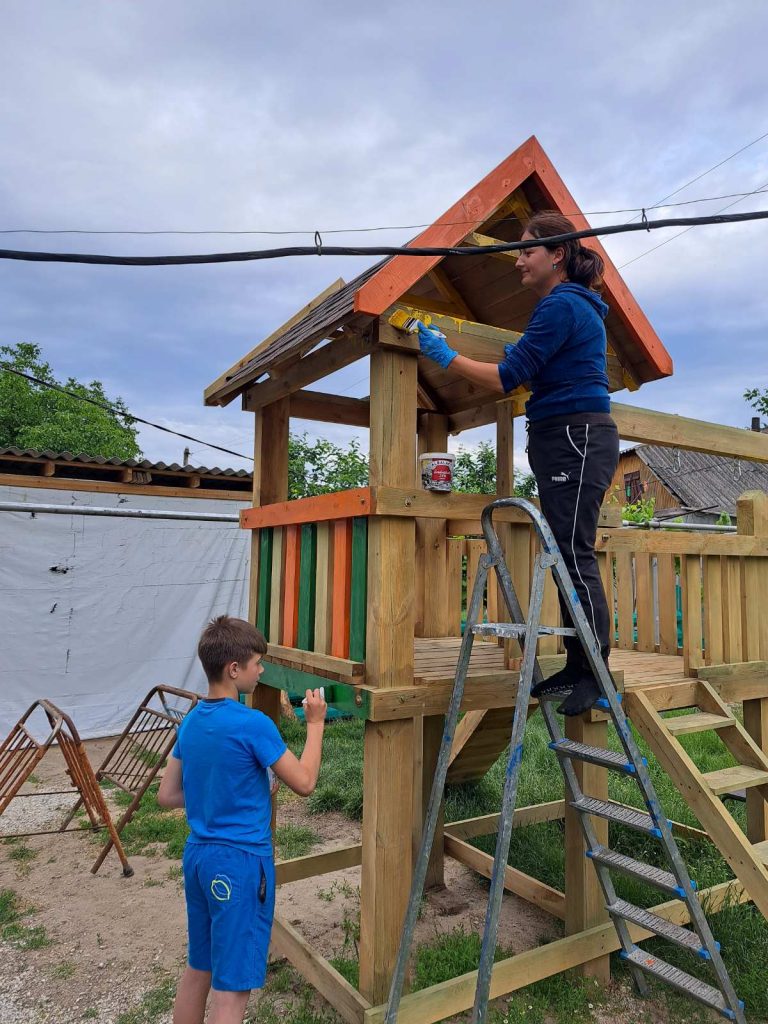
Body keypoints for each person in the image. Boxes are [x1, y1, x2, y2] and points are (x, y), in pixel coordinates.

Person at [416, 210, 619, 716]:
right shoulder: (570, 308)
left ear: (558, 255)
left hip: (575, 436)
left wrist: (444, 356)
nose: (517, 262)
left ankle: (595, 671)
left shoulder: (561, 305)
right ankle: (578, 665)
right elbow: (529, 364)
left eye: (526, 251)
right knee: (568, 554)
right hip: (568, 436)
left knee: (574, 554)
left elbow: (509, 377)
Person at [158, 615, 327, 1024]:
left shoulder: (192, 720)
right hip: (240, 865)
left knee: (200, 967)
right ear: (234, 670)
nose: (262, 669)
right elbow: (304, 782)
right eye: (257, 663)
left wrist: (219, 797)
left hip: (198, 858)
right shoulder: (254, 724)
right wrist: (316, 724)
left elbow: (167, 795)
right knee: (231, 993)